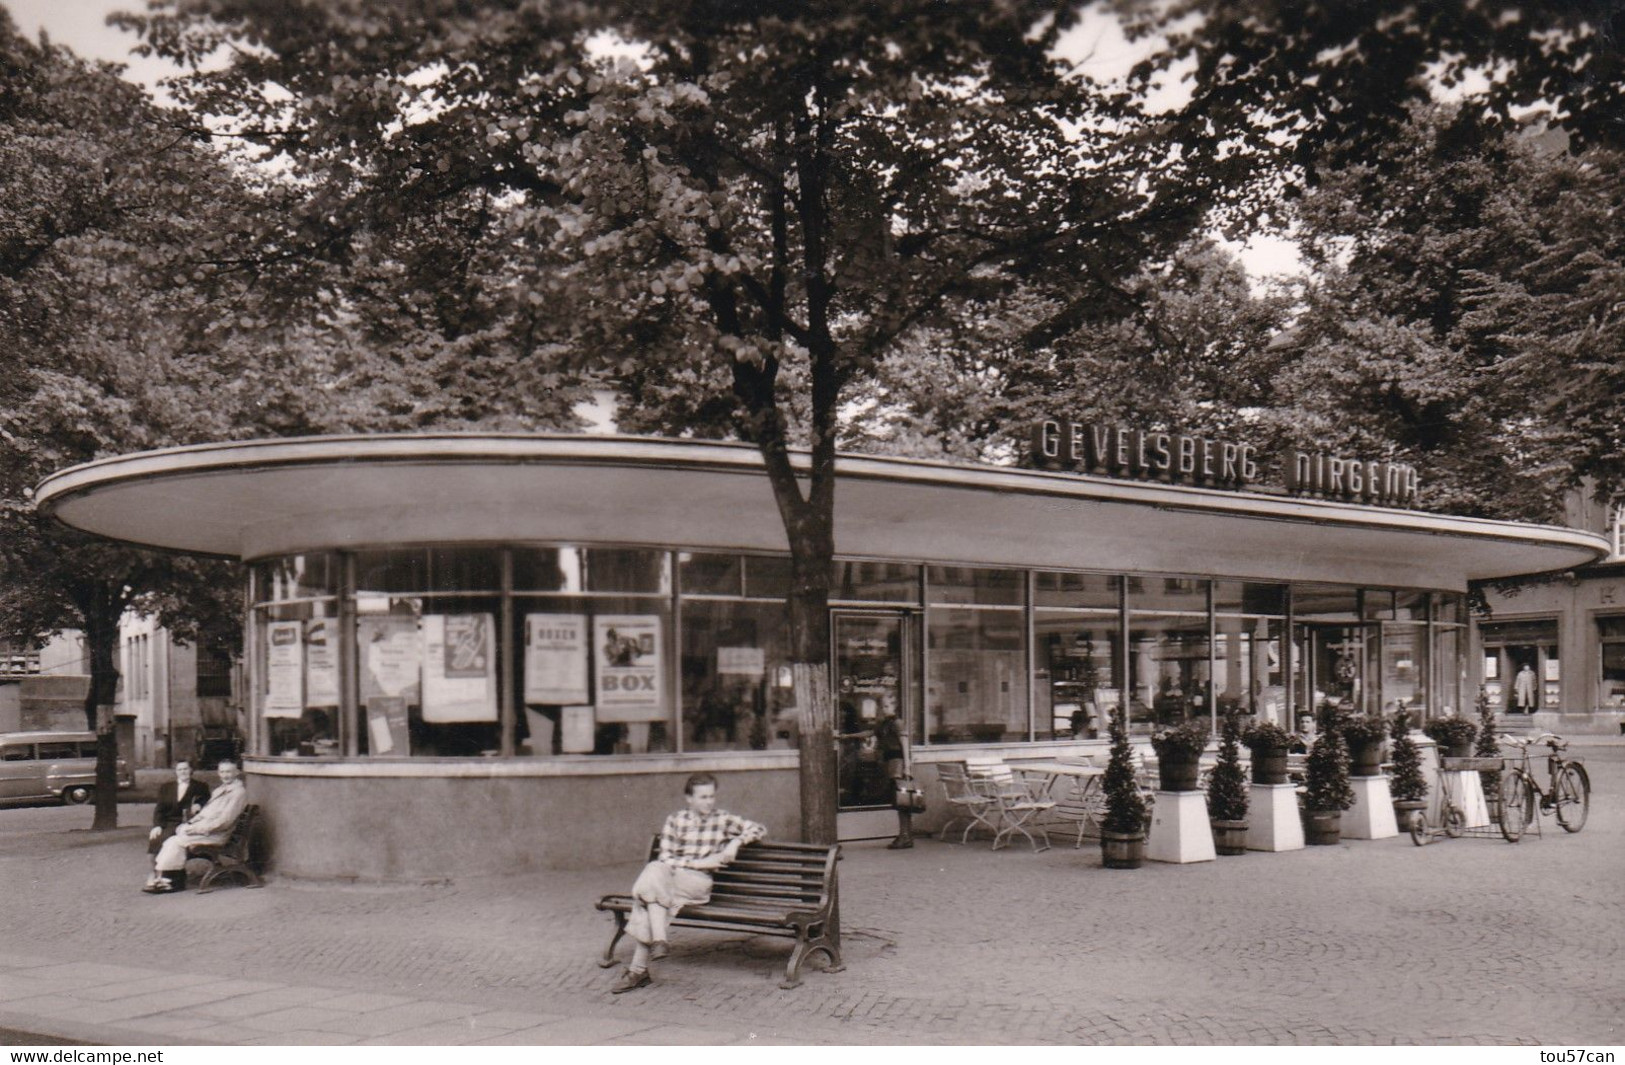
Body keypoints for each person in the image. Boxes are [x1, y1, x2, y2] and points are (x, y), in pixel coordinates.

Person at [610, 772, 766, 994]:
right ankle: (649, 955)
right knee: (655, 874)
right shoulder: (676, 820)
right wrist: (701, 863)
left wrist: (735, 843)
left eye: (711, 796)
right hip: (670, 880)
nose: (709, 801)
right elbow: (665, 858)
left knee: (649, 889)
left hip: (696, 885)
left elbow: (758, 828)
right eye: (703, 797)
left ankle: (645, 961)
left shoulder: (722, 819)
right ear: (689, 799)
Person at [143, 759, 248, 894]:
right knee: (173, 840)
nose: (225, 775)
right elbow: (205, 812)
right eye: (222, 772)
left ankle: (167, 880)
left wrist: (195, 829)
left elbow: (225, 821)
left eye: (228, 772)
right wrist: (189, 824)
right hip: (208, 831)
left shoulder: (238, 793)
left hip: (217, 835)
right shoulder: (221, 790)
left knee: (175, 841)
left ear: (237, 772)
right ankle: (167, 879)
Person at [836, 698, 913, 849]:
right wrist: (847, 736)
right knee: (899, 800)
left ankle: (905, 835)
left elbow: (904, 743)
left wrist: (907, 766)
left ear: (894, 707)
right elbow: (869, 732)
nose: (884, 709)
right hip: (889, 762)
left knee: (902, 800)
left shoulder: (897, 723)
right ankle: (905, 835)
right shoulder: (884, 723)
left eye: (887, 706)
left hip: (897, 762)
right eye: (882, 706)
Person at [144, 760, 210, 889]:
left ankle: (168, 876)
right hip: (169, 822)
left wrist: (200, 804)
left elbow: (207, 801)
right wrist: (157, 825)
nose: (183, 772)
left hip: (187, 823)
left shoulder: (200, 786)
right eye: (180, 769)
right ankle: (154, 873)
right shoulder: (166, 787)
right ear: (175, 772)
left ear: (191, 770)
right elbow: (159, 809)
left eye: (185, 769)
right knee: (155, 838)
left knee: (168, 840)